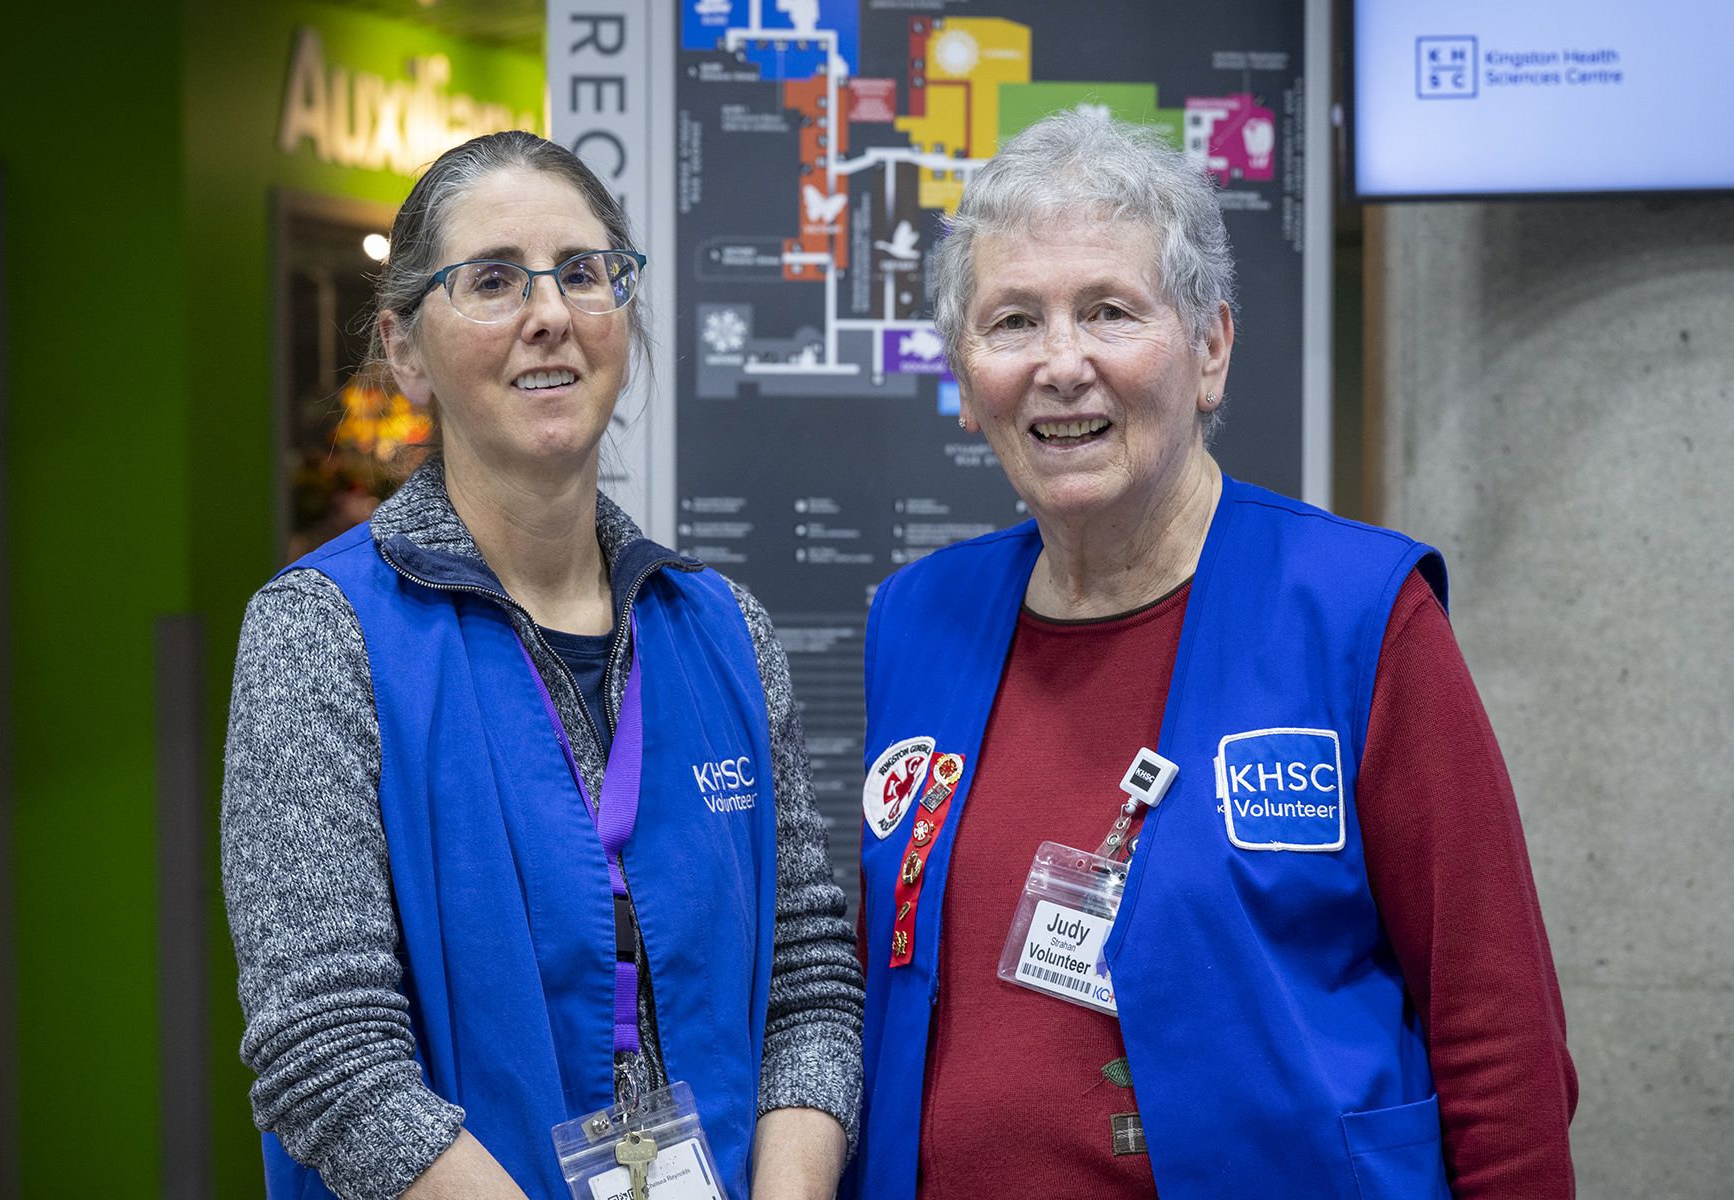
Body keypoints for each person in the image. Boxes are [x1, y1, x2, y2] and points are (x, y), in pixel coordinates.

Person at [847, 112, 1577, 1200]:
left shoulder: (1357, 614)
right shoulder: (919, 620)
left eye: (1109, 311)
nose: (1061, 363)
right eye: (1012, 321)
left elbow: (1495, 1025)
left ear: (1211, 348)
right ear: (965, 376)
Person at [222, 130, 861, 1200]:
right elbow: (326, 1055)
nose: (551, 312)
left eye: (583, 271)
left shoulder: (724, 632)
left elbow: (806, 980)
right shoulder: (319, 635)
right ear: (405, 350)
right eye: (492, 281)